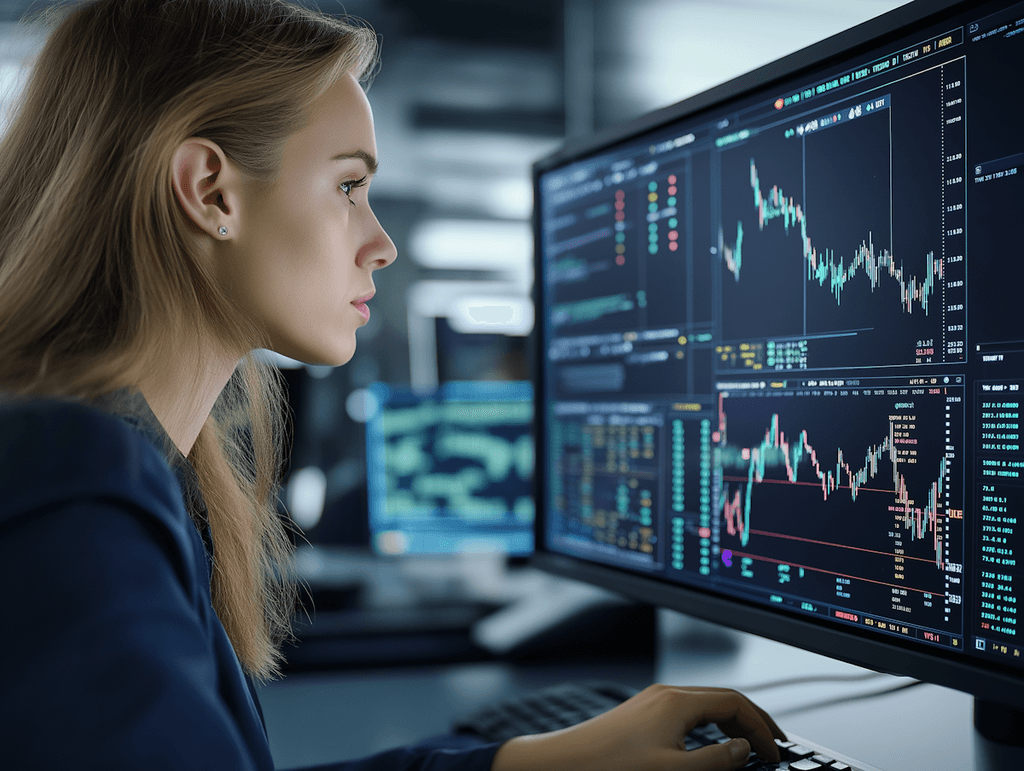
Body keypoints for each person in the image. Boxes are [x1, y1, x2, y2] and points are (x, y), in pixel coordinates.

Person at [0, 1, 786, 769]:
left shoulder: (125, 466)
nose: (381, 245)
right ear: (211, 191)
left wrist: (522, 762)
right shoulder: (73, 483)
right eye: (348, 187)